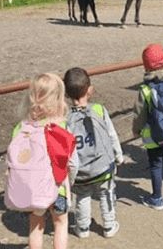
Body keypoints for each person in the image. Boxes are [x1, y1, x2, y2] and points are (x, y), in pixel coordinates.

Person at [12, 73, 74, 249]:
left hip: (34, 189)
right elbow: (72, 163)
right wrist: (71, 179)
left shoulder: (21, 128)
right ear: (59, 99)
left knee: (36, 227)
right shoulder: (61, 128)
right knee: (61, 224)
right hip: (58, 188)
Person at [63, 67, 124, 239]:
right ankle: (109, 225)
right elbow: (112, 135)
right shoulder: (99, 109)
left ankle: (82, 228)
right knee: (106, 193)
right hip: (103, 167)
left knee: (82, 197)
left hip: (81, 171)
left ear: (66, 95)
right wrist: (118, 156)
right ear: (90, 89)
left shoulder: (65, 118)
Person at [133, 43, 163, 210]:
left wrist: (136, 129)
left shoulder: (145, 89)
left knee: (155, 165)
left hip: (152, 135)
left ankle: (157, 198)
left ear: (146, 66)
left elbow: (139, 114)